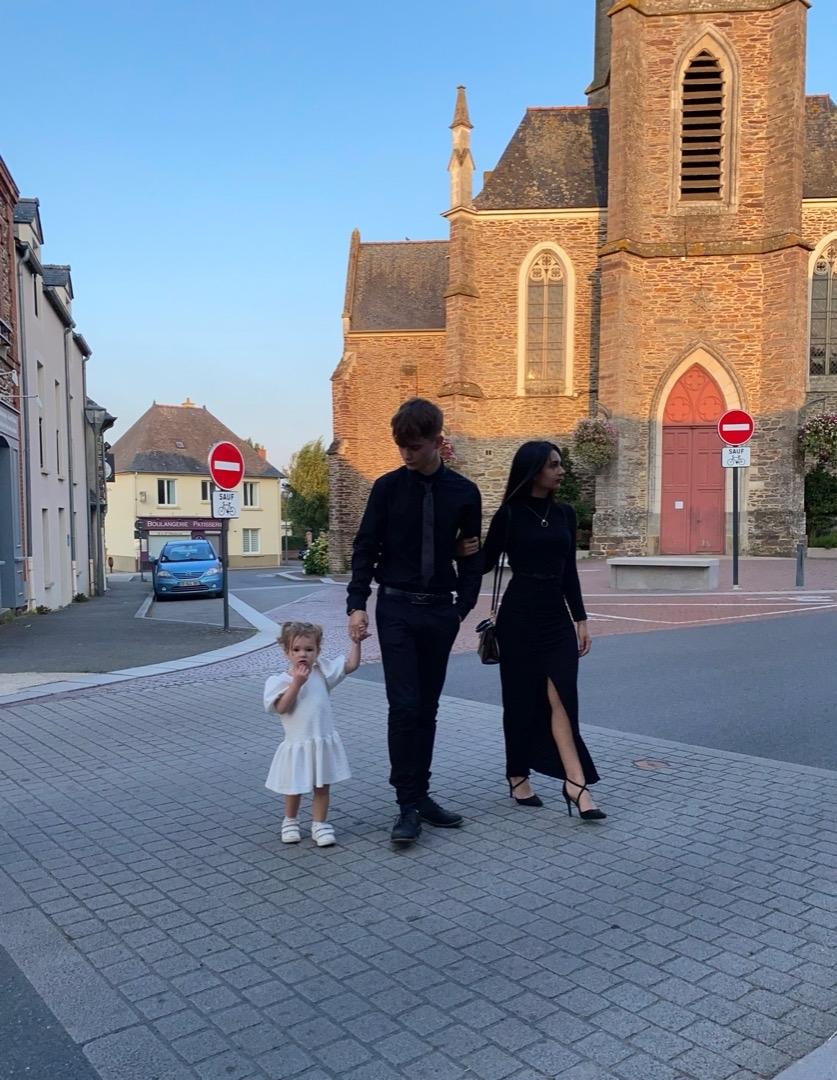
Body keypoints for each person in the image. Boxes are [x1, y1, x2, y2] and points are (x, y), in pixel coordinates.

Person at [347, 398, 483, 845]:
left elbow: (472, 555)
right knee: (404, 707)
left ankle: (421, 794)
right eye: (401, 447)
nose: (406, 454)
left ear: (438, 442)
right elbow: (366, 546)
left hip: (439, 611)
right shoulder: (386, 489)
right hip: (397, 610)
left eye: (415, 447)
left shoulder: (464, 493)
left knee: (427, 708)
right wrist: (357, 602)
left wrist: (461, 608)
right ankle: (406, 804)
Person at [482, 441, 605, 819]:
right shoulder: (509, 514)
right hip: (518, 617)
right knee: (519, 700)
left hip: (556, 619)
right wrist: (456, 548)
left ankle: (576, 783)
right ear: (533, 470)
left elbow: (569, 571)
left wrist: (581, 619)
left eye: (560, 464)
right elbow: (483, 562)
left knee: (563, 698)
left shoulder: (565, 513)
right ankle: (517, 773)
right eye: (554, 465)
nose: (561, 470)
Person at [263, 620, 365, 847]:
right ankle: (290, 821)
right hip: (298, 744)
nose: (303, 654)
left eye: (309, 649)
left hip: (321, 741)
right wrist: (297, 683)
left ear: (317, 651)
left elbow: (350, 665)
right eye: (297, 649)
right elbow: (282, 707)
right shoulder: (280, 681)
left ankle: (320, 824)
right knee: (294, 786)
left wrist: (356, 643)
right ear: (287, 652)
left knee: (322, 786)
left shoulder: (322, 672)